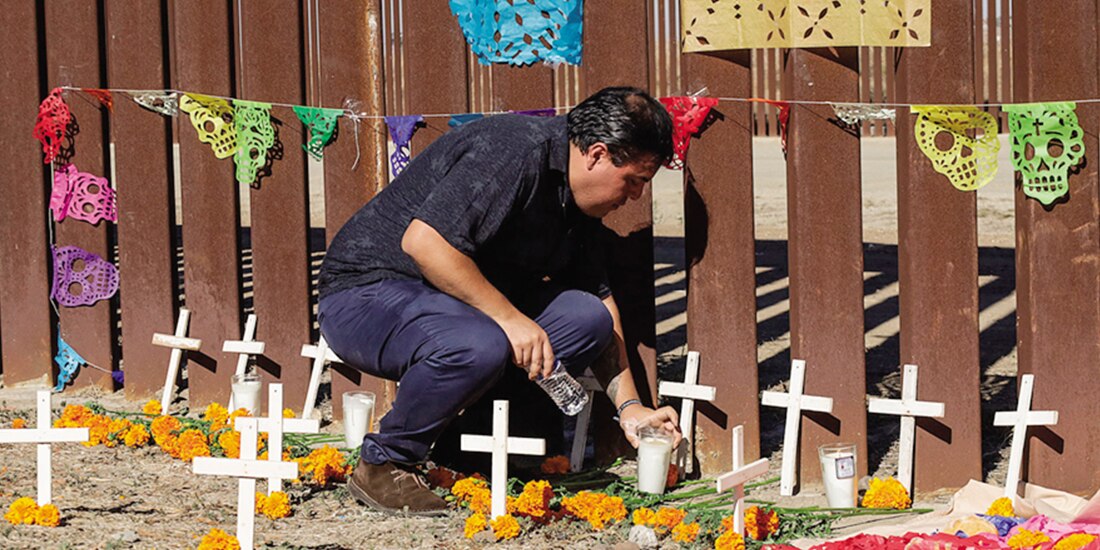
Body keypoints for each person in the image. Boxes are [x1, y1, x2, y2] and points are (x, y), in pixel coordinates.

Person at [317, 86, 682, 515]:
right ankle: (386, 461)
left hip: (456, 308)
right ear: (597, 154)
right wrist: (510, 319)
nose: (636, 196)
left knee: (584, 318)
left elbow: (601, 304)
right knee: (479, 341)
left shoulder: (577, 203)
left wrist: (631, 407)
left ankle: (464, 447)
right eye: (634, 180)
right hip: (367, 294)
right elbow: (425, 244)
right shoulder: (514, 151)